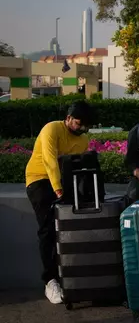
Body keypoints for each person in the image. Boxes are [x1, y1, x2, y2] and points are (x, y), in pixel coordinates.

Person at [25, 101, 94, 304]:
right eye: (79, 123)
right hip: (39, 180)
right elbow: (49, 160)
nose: (82, 128)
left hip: (62, 183)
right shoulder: (51, 129)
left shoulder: (83, 140)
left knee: (72, 225)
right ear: (68, 118)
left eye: (85, 126)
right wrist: (57, 190)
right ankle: (50, 281)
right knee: (47, 229)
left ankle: (73, 274)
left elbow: (76, 168)